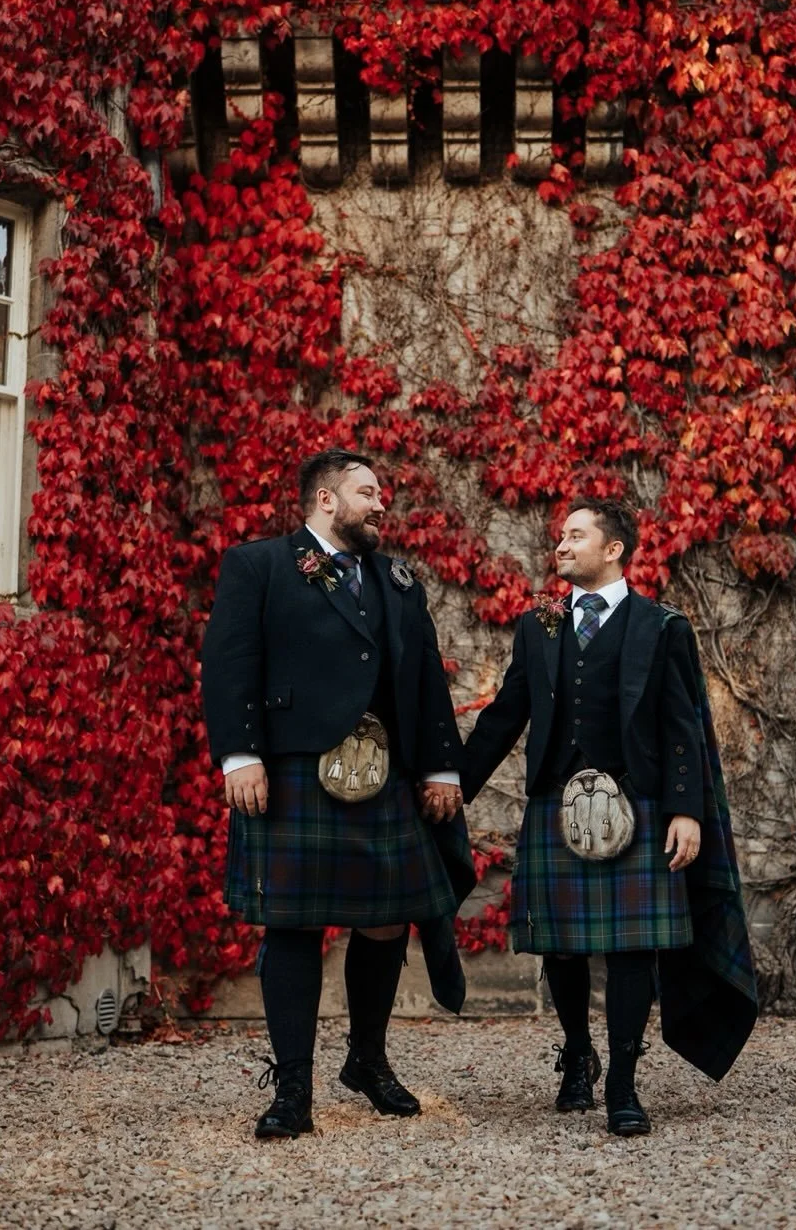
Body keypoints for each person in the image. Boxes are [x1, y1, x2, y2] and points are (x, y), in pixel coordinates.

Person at [461, 497, 757, 1137]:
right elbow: (506, 713)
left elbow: (683, 729)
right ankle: (578, 1057)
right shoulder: (538, 626)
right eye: (560, 536)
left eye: (575, 535)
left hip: (637, 802)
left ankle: (623, 1080)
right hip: (554, 802)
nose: (561, 545)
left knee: (632, 949)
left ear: (614, 548)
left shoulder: (661, 625)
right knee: (561, 946)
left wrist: (687, 812)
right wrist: (451, 786)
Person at [201, 448, 473, 1140]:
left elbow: (425, 680)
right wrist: (240, 754)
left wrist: (442, 767)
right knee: (291, 925)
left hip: (384, 772)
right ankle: (293, 1090)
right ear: (326, 499)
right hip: (295, 769)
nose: (381, 504)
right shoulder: (260, 565)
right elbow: (231, 662)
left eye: (380, 493)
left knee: (386, 918)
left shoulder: (399, 580)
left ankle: (367, 1060)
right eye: (367, 492)